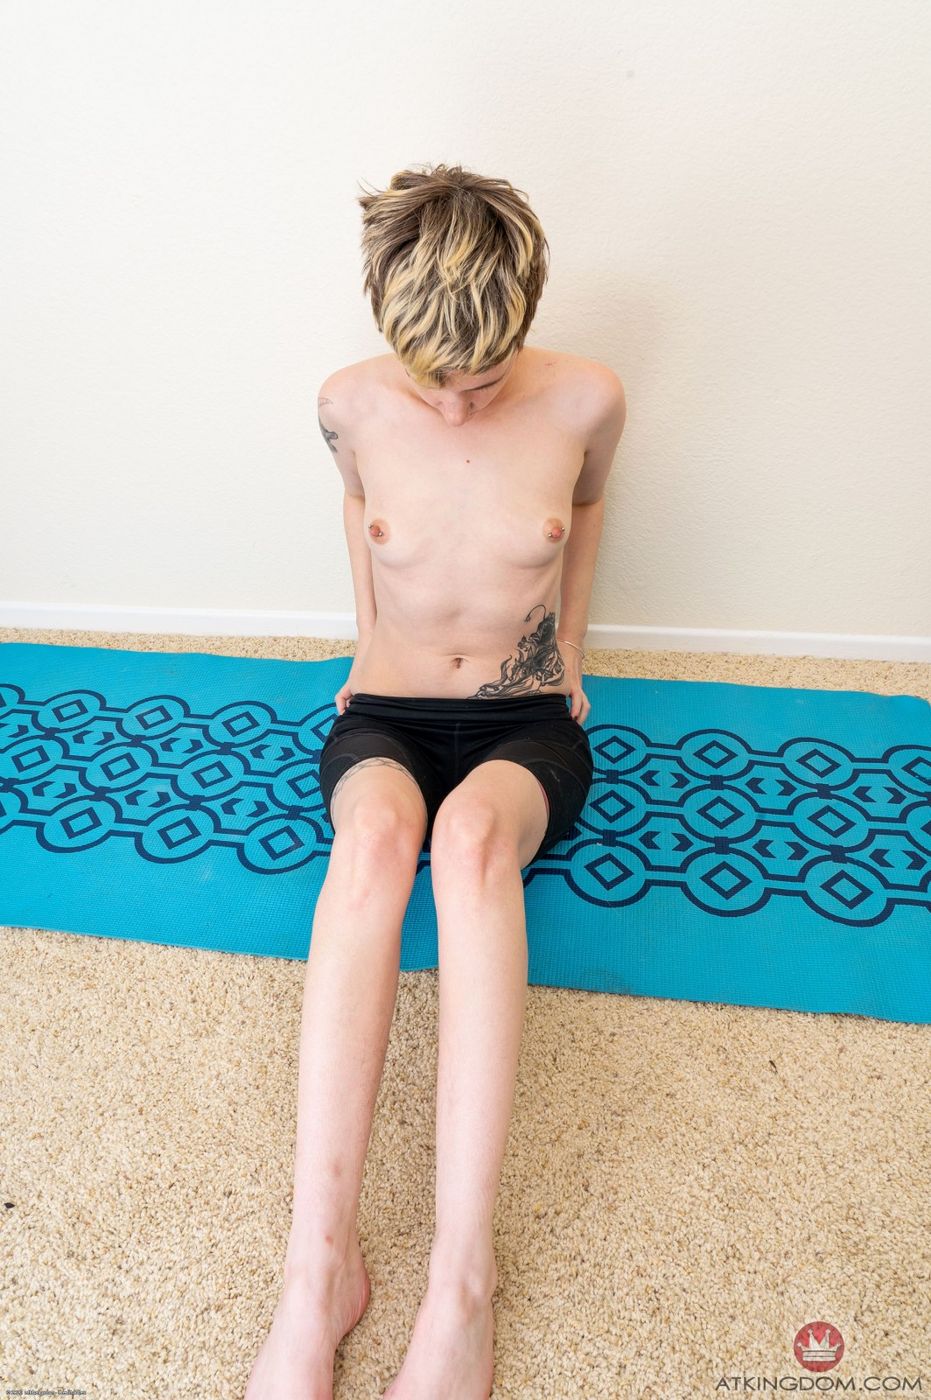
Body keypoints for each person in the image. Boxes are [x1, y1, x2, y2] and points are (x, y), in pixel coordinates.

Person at [245, 162, 627, 1400]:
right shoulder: (346, 403)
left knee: (467, 847)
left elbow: (588, 509)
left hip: (524, 719)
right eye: (433, 379)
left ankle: (462, 1281)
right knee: (368, 848)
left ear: (524, 314)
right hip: (388, 710)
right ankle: (319, 1269)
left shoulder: (588, 399)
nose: (457, 405)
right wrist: (366, 645)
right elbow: (359, 510)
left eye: (483, 378)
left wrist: (571, 652)